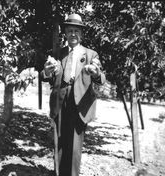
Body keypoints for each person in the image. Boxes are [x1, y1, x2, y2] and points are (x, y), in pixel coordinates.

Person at [42, 13, 105, 176]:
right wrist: (46, 72)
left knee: (74, 145)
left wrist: (96, 73)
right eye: (70, 30)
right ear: (65, 33)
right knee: (59, 141)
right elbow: (46, 76)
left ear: (81, 34)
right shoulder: (58, 53)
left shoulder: (91, 55)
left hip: (79, 103)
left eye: (76, 31)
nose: (73, 34)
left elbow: (101, 78)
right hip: (59, 101)